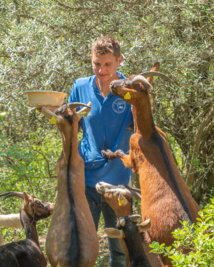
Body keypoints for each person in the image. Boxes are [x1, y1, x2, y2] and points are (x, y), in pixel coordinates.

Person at [68, 35, 133, 267]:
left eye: (107, 64)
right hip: (86, 182)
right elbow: (70, 127)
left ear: (119, 61)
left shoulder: (130, 89)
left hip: (119, 185)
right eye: (97, 63)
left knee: (120, 251)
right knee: (81, 249)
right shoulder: (80, 86)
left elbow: (143, 128)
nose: (101, 70)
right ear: (91, 59)